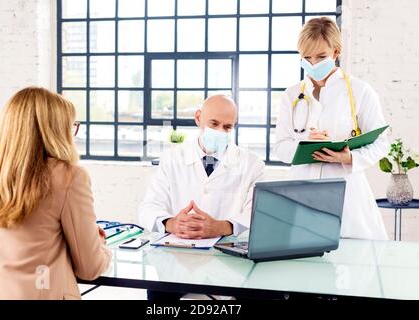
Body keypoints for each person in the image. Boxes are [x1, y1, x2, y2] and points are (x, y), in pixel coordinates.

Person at [0, 87, 112, 300]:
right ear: (54, 131)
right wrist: (100, 245)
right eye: (71, 126)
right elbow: (90, 268)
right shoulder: (69, 176)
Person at [139, 95, 266, 300]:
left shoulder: (252, 165)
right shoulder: (172, 158)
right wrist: (172, 223)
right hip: (179, 257)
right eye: (214, 123)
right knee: (157, 294)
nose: (220, 131)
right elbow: (148, 208)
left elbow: (257, 215)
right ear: (198, 118)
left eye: (227, 127)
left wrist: (221, 227)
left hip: (229, 262)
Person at [274, 17, 389, 240]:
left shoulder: (360, 91)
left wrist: (349, 159)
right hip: (301, 191)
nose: (313, 63)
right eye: (306, 57)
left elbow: (380, 143)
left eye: (321, 56)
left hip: (347, 191)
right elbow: (281, 148)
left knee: (353, 261)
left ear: (336, 52)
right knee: (303, 259)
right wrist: (306, 141)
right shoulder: (292, 95)